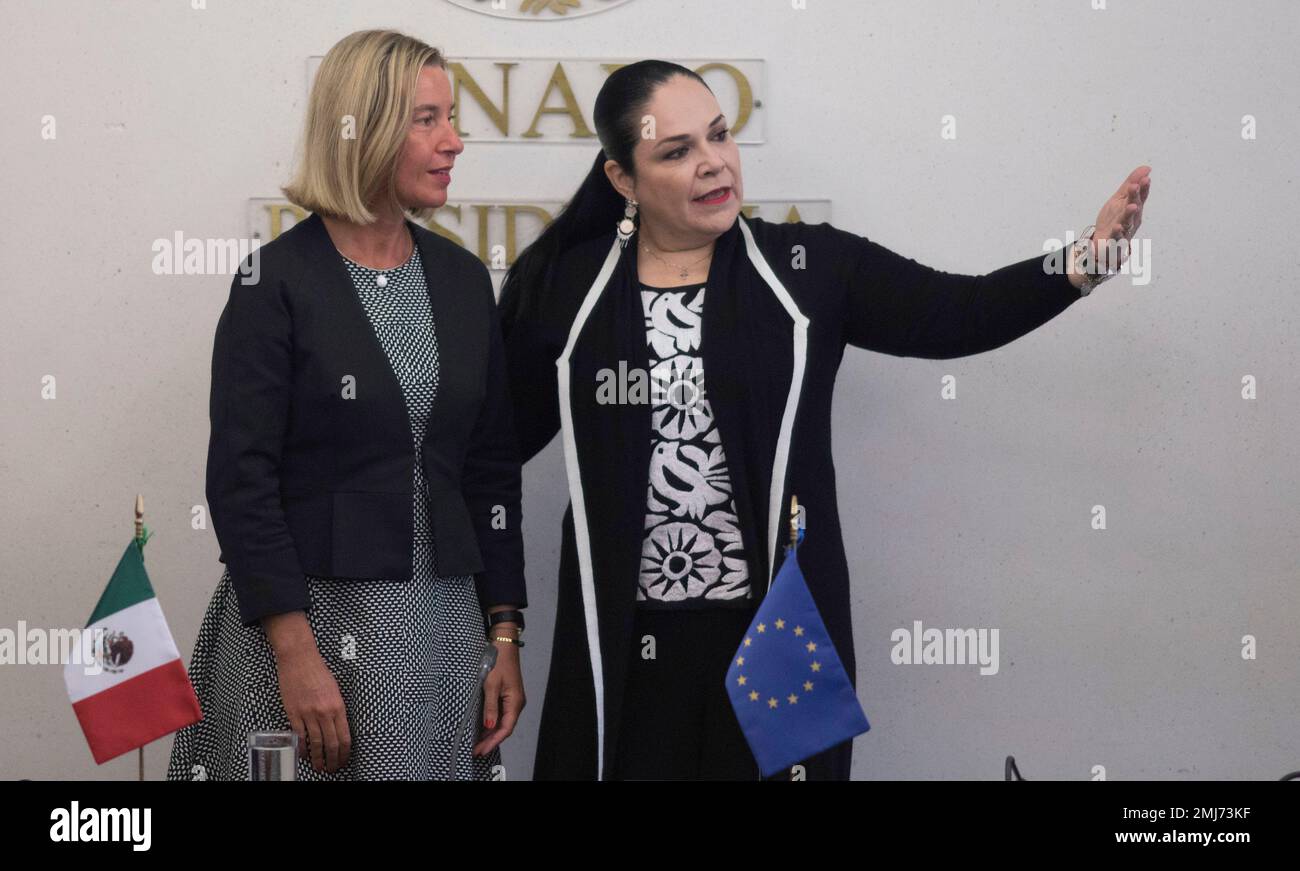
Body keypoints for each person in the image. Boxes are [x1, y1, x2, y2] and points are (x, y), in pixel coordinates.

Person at [499, 60, 1149, 780]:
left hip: (777, 636)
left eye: (719, 135)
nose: (713, 163)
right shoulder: (569, 289)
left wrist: (1086, 259)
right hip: (624, 643)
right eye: (677, 150)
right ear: (623, 179)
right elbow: (489, 450)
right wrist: (498, 621)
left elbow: (956, 313)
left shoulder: (807, 269)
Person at [167, 30, 527, 781]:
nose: (454, 141)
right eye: (426, 119)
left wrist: (503, 636)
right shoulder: (275, 283)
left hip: (441, 641)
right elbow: (243, 482)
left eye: (452, 117)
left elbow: (490, 474)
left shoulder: (462, 280)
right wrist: (296, 655)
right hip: (303, 640)